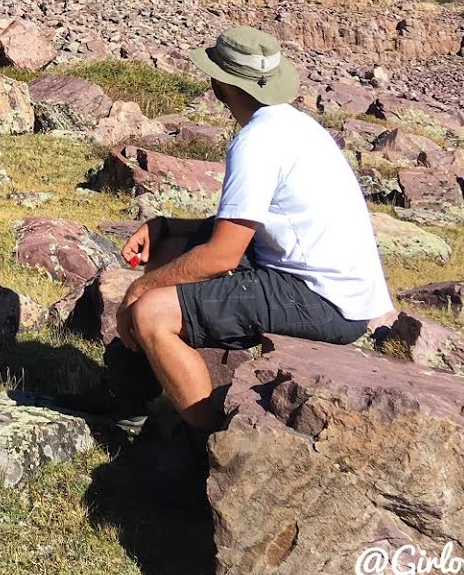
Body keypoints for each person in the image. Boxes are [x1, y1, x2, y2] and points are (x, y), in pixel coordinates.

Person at [115, 25, 394, 430]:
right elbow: (241, 228)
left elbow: (222, 255)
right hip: (330, 284)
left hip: (323, 300)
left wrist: (140, 288)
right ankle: (137, 399)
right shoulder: (294, 126)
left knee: (152, 312)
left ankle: (206, 445)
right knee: (170, 246)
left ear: (219, 83)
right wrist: (165, 226)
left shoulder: (256, 142)